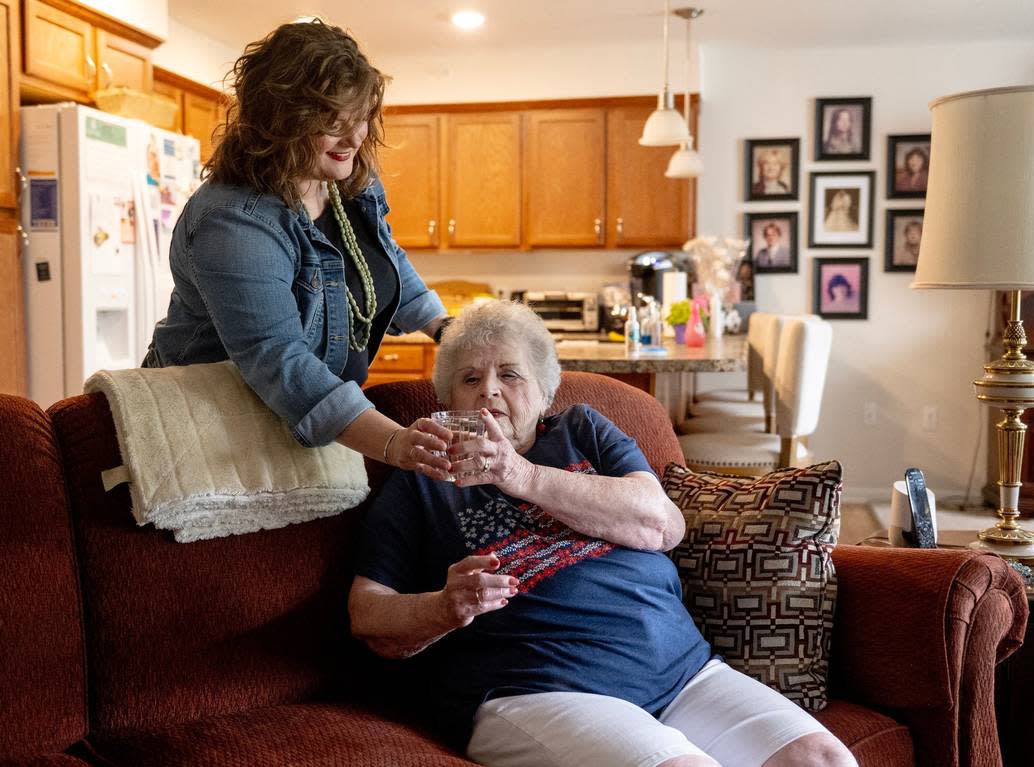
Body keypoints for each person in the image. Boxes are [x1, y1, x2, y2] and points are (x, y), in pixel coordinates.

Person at [349, 301, 856, 767]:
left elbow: (663, 524)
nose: (489, 390)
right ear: (448, 399)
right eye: (470, 378)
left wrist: (518, 475)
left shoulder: (583, 430)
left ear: (545, 391)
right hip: (535, 688)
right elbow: (367, 612)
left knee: (823, 758)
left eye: (509, 374)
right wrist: (444, 607)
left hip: (682, 672)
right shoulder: (423, 481)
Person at [142, 20, 452, 474]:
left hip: (299, 425)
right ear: (279, 124)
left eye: (361, 118)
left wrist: (447, 328)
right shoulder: (233, 223)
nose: (354, 138)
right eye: (332, 124)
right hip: (206, 435)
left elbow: (381, 260)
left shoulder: (346, 177)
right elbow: (278, 358)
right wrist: (393, 443)